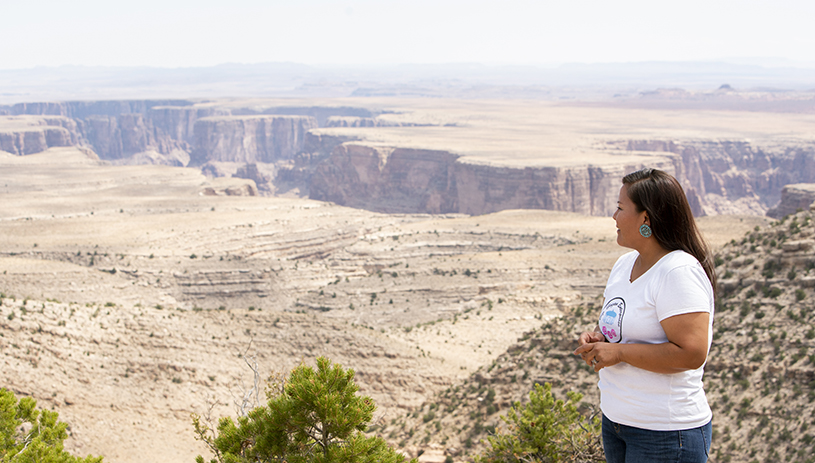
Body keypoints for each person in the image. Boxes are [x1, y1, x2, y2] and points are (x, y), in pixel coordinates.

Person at [573, 168, 716, 463]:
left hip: (665, 433)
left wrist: (619, 353)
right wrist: (601, 339)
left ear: (645, 219)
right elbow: (631, 329)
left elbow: (691, 354)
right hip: (617, 422)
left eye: (620, 208)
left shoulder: (678, 272)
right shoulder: (625, 265)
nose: (613, 216)